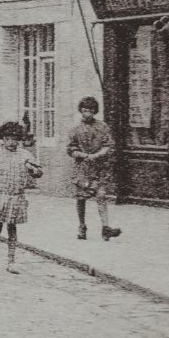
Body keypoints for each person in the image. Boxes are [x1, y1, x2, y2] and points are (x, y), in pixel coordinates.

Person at [0, 121, 43, 273]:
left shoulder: (25, 155)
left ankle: (11, 261)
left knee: (12, 228)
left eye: (14, 139)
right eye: (7, 139)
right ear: (2, 139)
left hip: (16, 195)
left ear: (19, 140)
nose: (11, 142)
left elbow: (39, 172)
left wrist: (33, 170)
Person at [66, 96, 122, 242]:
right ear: (81, 111)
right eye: (85, 110)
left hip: (99, 168)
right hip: (82, 169)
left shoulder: (102, 127)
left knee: (101, 195)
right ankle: (82, 226)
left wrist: (98, 154)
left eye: (90, 110)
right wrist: (82, 154)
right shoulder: (75, 129)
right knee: (81, 199)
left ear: (95, 111)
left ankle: (105, 228)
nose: (88, 114)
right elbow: (70, 149)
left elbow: (108, 145)